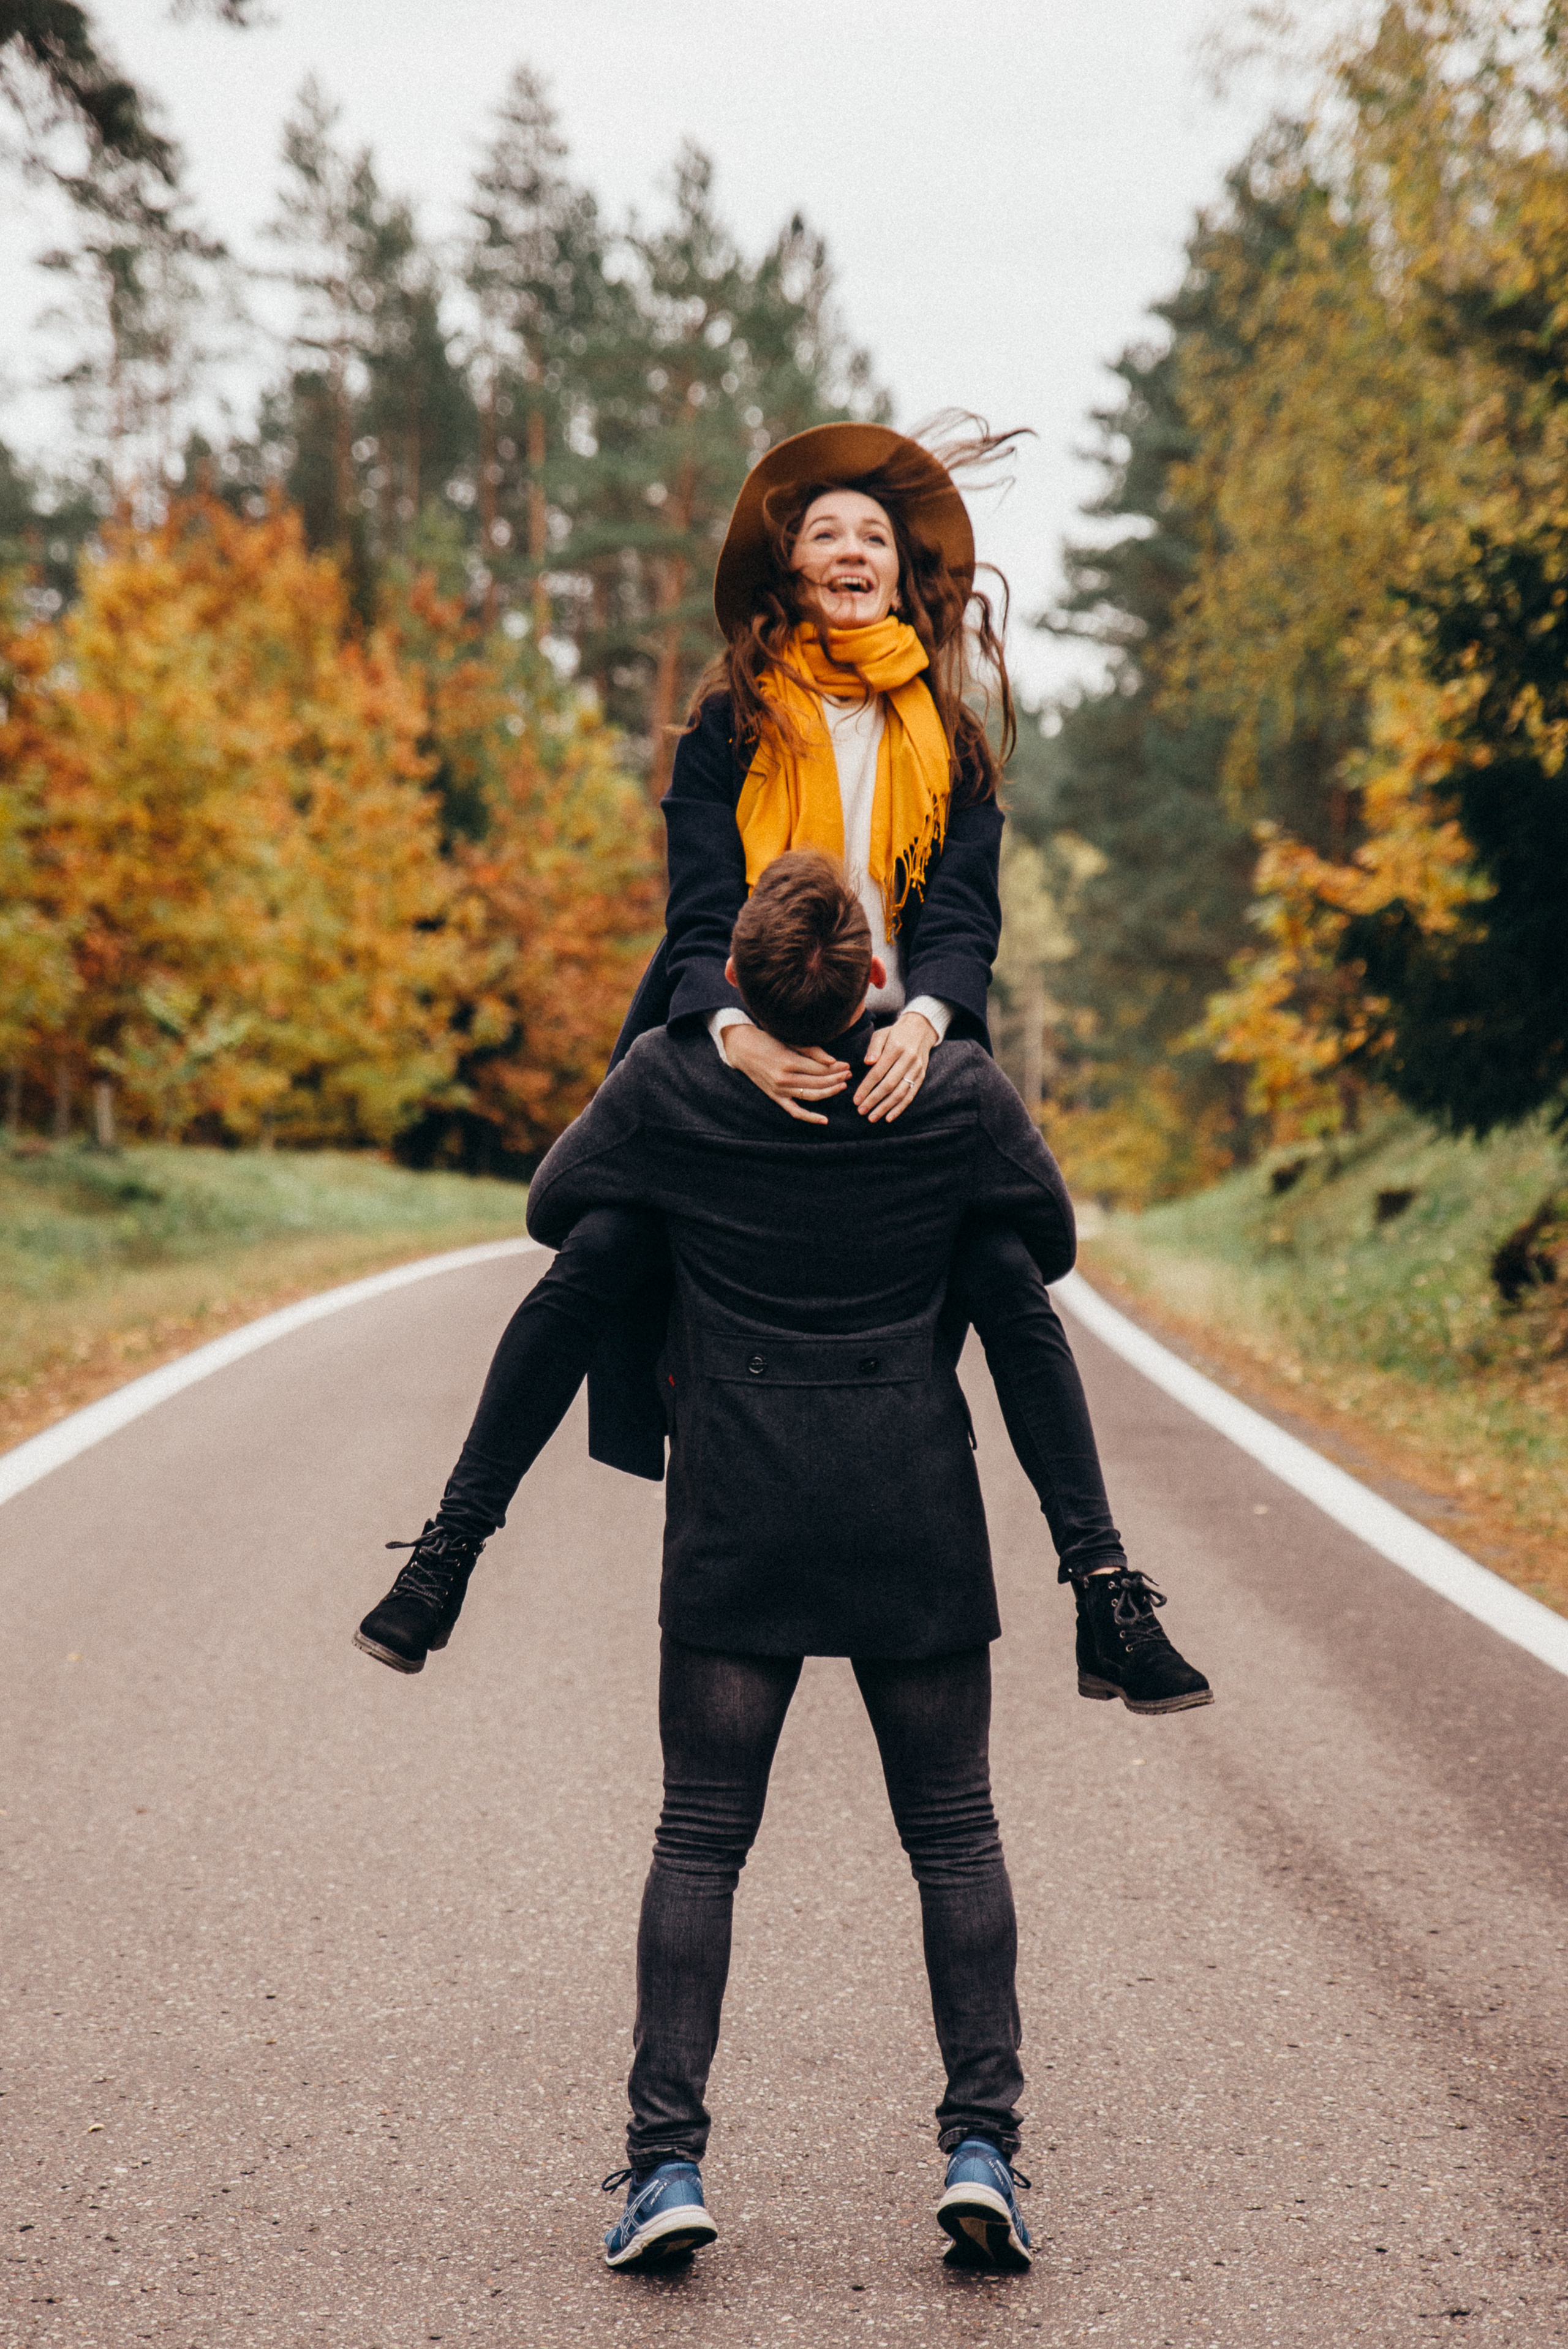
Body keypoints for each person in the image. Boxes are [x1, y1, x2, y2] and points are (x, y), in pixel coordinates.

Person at [356, 422, 1205, 1715]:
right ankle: (447, 1550)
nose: (852, 551)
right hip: (729, 1024)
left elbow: (962, 924)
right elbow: (696, 923)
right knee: (593, 1252)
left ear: (900, 571)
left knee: (1000, 1274)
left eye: (872, 536)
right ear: (789, 570)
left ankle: (1103, 1588)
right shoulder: (722, 728)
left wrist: (926, 1023)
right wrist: (737, 1034)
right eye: (827, 535)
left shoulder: (954, 742)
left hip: (893, 1043)